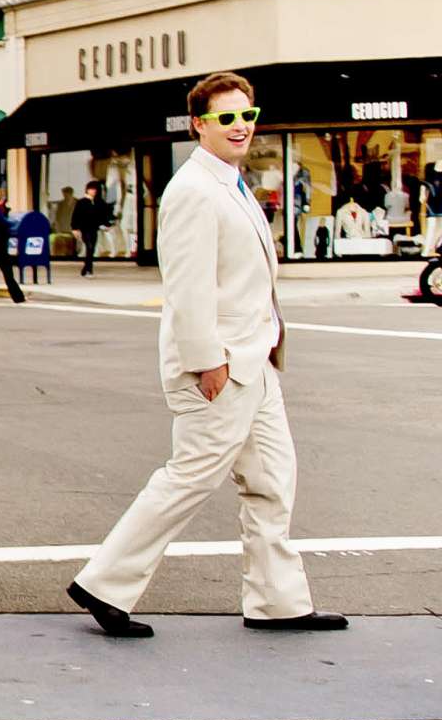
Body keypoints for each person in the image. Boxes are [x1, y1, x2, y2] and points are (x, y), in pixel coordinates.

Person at [68, 72, 345, 639]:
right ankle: (103, 583)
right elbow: (187, 287)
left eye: (247, 114)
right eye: (226, 117)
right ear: (199, 124)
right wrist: (206, 361)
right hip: (219, 364)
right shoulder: (193, 189)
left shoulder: (231, 183)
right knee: (190, 477)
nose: (240, 125)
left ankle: (278, 601)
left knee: (272, 479)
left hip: (255, 361)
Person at [73, 180, 107, 276]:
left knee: (92, 249)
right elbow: (76, 216)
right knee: (89, 246)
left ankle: (85, 268)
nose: (93, 191)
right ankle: (89, 269)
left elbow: (102, 216)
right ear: (87, 190)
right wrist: (75, 228)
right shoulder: (81, 202)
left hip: (94, 229)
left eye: (94, 189)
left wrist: (105, 225)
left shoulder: (99, 202)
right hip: (85, 229)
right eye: (91, 189)